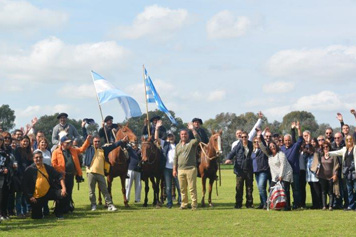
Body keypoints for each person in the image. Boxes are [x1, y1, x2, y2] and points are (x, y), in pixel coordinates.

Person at [83, 133, 126, 211]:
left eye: (98, 141)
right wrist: (83, 128)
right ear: (93, 142)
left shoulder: (103, 149)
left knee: (105, 191)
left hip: (100, 173)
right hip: (91, 173)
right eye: (95, 141)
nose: (97, 143)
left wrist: (121, 141)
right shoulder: (89, 148)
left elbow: (114, 145)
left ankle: (110, 205)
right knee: (91, 191)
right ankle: (93, 205)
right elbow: (85, 139)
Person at [23, 150, 67, 219]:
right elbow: (25, 185)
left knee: (61, 194)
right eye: (36, 157)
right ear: (33, 159)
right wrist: (30, 196)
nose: (38, 159)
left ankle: (58, 213)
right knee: (37, 217)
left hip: (48, 192)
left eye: (40, 157)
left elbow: (60, 176)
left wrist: (64, 188)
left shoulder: (47, 168)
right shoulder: (29, 170)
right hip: (36, 196)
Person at [52, 135, 90, 213]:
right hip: (61, 176)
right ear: (62, 143)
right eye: (67, 143)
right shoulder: (56, 152)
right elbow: (53, 163)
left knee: (69, 191)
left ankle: (67, 208)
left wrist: (87, 141)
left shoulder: (73, 150)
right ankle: (60, 208)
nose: (69, 144)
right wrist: (60, 170)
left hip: (70, 175)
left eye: (69, 142)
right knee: (62, 192)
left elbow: (82, 149)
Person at [257, 131, 293, 211]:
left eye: (273, 146)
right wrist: (259, 141)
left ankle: (287, 206)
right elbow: (263, 149)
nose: (272, 147)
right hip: (275, 176)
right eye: (270, 146)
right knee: (271, 189)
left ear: (276, 146)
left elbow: (283, 165)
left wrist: (281, 175)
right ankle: (274, 205)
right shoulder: (269, 155)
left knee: (285, 190)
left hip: (285, 173)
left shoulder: (281, 154)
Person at [173, 123, 200, 210]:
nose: (183, 135)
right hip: (180, 170)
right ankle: (184, 204)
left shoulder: (192, 143)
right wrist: (174, 169)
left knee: (192, 188)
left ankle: (194, 205)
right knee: (182, 189)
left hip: (191, 169)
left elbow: (198, 139)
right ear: (180, 136)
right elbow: (175, 158)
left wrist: (192, 129)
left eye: (185, 134)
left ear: (188, 135)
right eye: (182, 134)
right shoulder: (177, 146)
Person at [155, 120, 181, 208]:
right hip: (167, 168)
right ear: (167, 137)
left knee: (179, 187)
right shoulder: (164, 143)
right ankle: (169, 203)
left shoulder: (178, 144)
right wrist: (157, 128)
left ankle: (181, 202)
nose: (171, 137)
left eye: (172, 136)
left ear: (174, 136)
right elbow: (156, 139)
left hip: (177, 168)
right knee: (168, 188)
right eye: (169, 136)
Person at [225, 131, 254, 209]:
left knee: (249, 188)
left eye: (245, 137)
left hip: (249, 169)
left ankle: (249, 204)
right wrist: (228, 158)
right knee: (239, 188)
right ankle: (238, 204)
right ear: (240, 138)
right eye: (242, 137)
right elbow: (232, 153)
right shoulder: (238, 145)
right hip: (240, 170)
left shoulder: (251, 145)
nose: (244, 138)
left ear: (248, 137)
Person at [329, 135, 356, 210]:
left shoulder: (355, 148)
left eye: (350, 139)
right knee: (349, 190)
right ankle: (351, 206)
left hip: (354, 171)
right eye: (347, 139)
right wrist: (328, 153)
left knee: (355, 188)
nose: (349, 140)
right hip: (347, 172)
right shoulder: (344, 149)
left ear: (352, 140)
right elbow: (337, 152)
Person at [281, 121, 303, 209]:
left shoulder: (295, 146)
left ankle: (296, 204)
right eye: (286, 140)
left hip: (294, 172)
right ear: (283, 141)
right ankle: (287, 205)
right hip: (285, 173)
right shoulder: (281, 149)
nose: (287, 142)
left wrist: (298, 129)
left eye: (289, 140)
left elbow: (300, 139)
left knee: (296, 190)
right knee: (286, 190)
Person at [312, 141, 340, 210]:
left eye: (326, 147)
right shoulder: (321, 156)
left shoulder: (333, 156)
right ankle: (324, 206)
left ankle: (330, 206)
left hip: (331, 176)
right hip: (322, 176)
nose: (325, 148)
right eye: (324, 147)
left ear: (329, 147)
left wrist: (335, 174)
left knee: (331, 192)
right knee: (323, 192)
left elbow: (336, 165)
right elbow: (318, 164)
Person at [14, 136, 33, 218]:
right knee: (19, 195)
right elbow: (17, 163)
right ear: (21, 141)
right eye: (24, 141)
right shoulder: (17, 151)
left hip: (27, 176)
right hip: (20, 176)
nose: (25, 143)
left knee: (25, 195)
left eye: (27, 142)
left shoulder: (29, 151)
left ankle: (26, 211)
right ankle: (19, 212)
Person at [251, 136, 270, 209]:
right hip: (256, 172)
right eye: (254, 142)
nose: (256, 143)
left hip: (263, 171)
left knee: (261, 186)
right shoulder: (252, 152)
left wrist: (261, 137)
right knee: (260, 188)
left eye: (257, 142)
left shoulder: (263, 150)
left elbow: (265, 146)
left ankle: (265, 203)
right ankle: (262, 203)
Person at [124, 140, 142, 205]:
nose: (135, 145)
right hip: (130, 169)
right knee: (128, 185)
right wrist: (128, 142)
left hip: (138, 170)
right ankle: (126, 198)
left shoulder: (140, 151)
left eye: (136, 144)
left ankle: (137, 199)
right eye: (134, 144)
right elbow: (125, 146)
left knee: (138, 186)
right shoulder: (130, 149)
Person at [0, 135, 11, 221]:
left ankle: (4, 213)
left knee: (5, 195)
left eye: (1, 140)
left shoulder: (4, 151)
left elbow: (7, 162)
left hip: (5, 177)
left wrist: (7, 168)